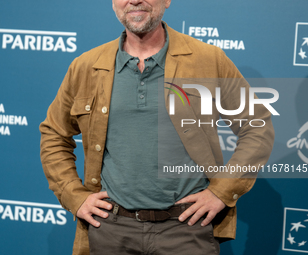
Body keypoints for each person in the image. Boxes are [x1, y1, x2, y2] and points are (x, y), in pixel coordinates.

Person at [40, 0, 275, 254]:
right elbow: (54, 134)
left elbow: (257, 126)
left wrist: (222, 191)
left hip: (186, 231)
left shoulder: (208, 60)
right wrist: (74, 195)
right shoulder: (86, 66)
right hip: (110, 230)